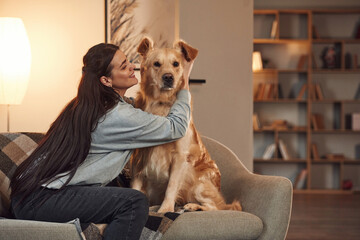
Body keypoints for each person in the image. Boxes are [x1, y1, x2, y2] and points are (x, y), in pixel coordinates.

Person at [10, 43, 193, 240]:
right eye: (124, 66)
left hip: (28, 197)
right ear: (106, 80)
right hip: (42, 200)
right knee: (134, 202)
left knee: (120, 193)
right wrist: (183, 85)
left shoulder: (89, 104)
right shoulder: (116, 115)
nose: (133, 67)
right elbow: (176, 128)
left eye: (129, 61)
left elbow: (138, 109)